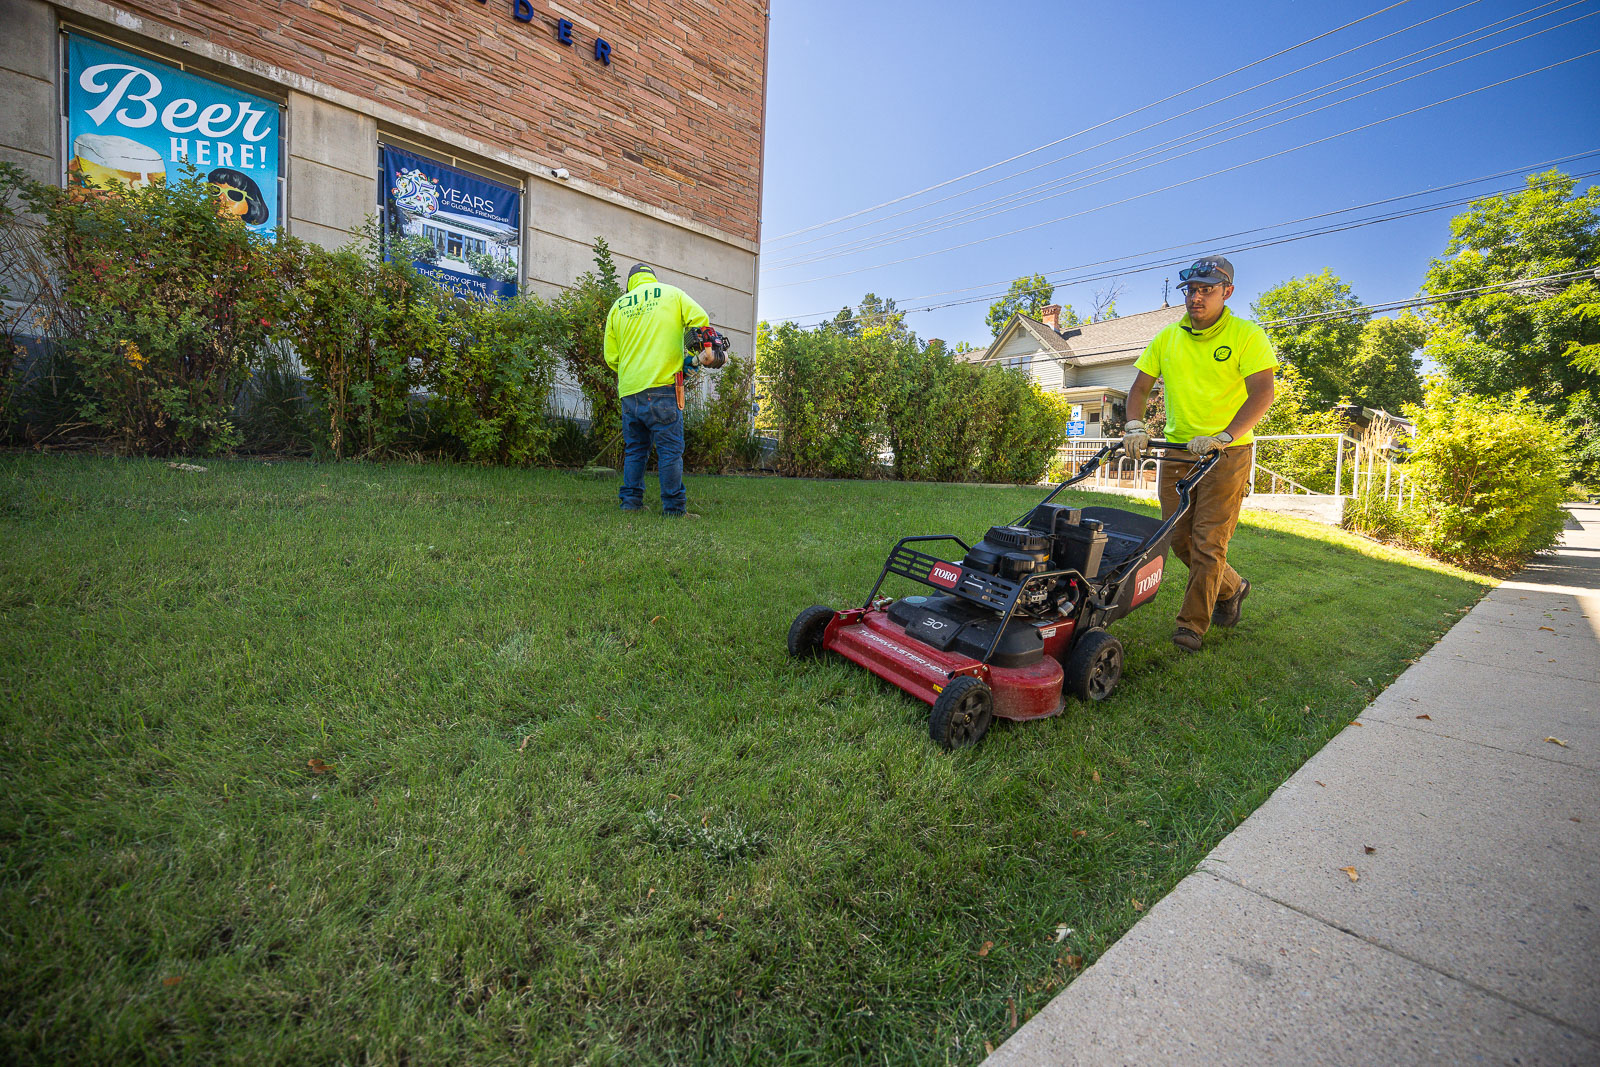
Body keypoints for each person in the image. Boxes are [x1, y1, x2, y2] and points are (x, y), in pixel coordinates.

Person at [1121, 256, 1277, 653]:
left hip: (1228, 454)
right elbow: (1139, 389)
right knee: (1177, 540)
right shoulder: (1167, 338)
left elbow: (1263, 394)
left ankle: (1190, 626)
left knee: (1209, 543)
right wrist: (1135, 426)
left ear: (1227, 292)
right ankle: (1233, 587)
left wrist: (1224, 435)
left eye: (1206, 289)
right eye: (1191, 289)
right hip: (1177, 453)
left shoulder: (1246, 335)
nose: (1196, 297)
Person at [603, 262, 711, 517]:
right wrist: (702, 350)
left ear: (630, 283)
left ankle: (630, 503)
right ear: (652, 278)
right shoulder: (671, 293)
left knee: (635, 450)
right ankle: (674, 509)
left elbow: (611, 357)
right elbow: (701, 320)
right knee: (670, 451)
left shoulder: (617, 307)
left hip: (629, 392)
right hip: (663, 388)